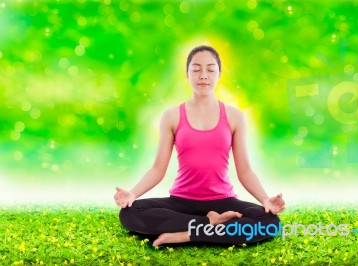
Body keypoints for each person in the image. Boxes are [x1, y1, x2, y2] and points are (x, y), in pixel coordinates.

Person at [114, 45, 285, 247]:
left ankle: (186, 234)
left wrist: (265, 200)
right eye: (196, 69)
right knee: (130, 213)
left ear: (219, 74)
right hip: (181, 202)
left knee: (269, 223)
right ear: (187, 74)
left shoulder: (234, 117)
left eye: (210, 69)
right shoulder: (172, 116)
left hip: (223, 201)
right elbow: (158, 169)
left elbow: (245, 171)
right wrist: (132, 194)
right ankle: (208, 224)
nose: (203, 75)